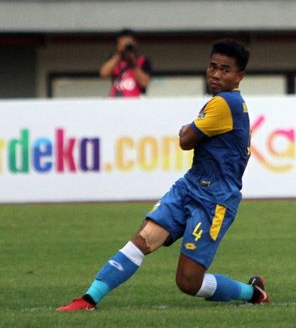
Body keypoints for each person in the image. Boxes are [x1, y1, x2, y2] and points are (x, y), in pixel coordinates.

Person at [58, 39, 269, 311]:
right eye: (212, 67)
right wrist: (189, 131)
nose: (216, 75)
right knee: (143, 239)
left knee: (188, 282)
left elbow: (186, 139)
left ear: (239, 76)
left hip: (214, 199)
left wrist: (187, 130)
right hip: (190, 186)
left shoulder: (224, 103)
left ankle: (253, 293)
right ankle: (88, 299)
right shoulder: (223, 103)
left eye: (225, 70)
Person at [99, 28, 152, 97]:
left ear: (135, 43)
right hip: (116, 101)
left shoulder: (142, 60)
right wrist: (118, 55)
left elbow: (144, 83)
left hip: (136, 102)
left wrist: (133, 64)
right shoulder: (115, 59)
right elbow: (103, 74)